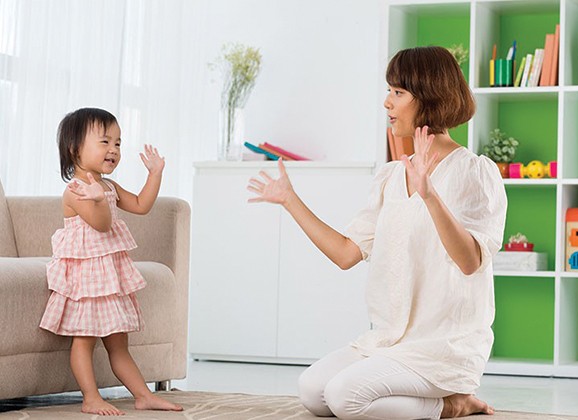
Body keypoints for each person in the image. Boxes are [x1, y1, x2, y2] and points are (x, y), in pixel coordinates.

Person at [246, 46, 507, 420]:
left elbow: (470, 262)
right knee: (313, 392)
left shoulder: (474, 172)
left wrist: (430, 196)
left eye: (398, 93)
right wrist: (290, 201)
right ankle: (442, 402)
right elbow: (346, 254)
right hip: (390, 341)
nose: (387, 102)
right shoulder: (390, 177)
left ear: (429, 95)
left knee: (344, 398)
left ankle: (453, 404)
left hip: (443, 346)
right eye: (389, 91)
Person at [39, 108, 183, 416]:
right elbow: (102, 225)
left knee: (119, 344)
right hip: (87, 280)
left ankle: (143, 395)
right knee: (84, 341)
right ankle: (90, 397)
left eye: (118, 143)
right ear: (74, 148)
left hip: (109, 277)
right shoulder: (76, 190)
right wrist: (98, 200)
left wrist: (154, 174)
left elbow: (142, 205)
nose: (114, 150)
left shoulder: (107, 186)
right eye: (105, 142)